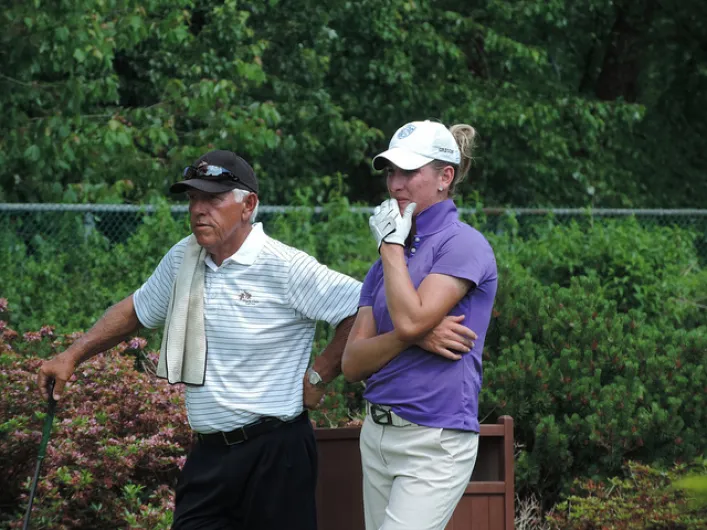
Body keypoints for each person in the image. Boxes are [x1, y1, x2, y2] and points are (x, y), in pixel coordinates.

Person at [37, 150, 364, 530]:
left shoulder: (285, 265)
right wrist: (71, 356)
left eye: (213, 198)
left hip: (277, 454)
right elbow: (135, 311)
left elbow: (361, 308)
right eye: (193, 198)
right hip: (209, 454)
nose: (198, 209)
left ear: (248, 205)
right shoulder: (184, 258)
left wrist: (319, 374)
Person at [342, 120, 498, 530]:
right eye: (391, 172)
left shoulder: (462, 244)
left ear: (445, 177)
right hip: (376, 436)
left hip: (435, 438)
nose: (395, 185)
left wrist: (391, 247)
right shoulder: (382, 267)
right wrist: (411, 336)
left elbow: (411, 317)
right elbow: (353, 364)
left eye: (409, 173)